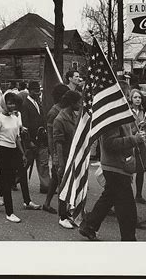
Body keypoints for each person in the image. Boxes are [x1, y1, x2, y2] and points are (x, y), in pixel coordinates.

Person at [79, 81, 146, 241]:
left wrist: (136, 127)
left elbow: (123, 131)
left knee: (108, 198)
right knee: (127, 209)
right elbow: (110, 143)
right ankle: (128, 240)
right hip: (116, 166)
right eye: (127, 95)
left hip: (118, 165)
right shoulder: (112, 116)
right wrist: (134, 139)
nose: (129, 98)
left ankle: (89, 225)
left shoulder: (119, 114)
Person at [0, 92, 40, 223]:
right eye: (9, 103)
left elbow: (17, 138)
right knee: (7, 180)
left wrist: (22, 154)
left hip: (14, 149)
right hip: (2, 150)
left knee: (17, 177)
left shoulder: (15, 118)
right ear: (4, 103)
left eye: (13, 103)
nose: (12, 105)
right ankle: (9, 212)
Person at [53, 90, 82, 229]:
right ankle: (62, 216)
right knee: (62, 186)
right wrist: (60, 163)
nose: (80, 104)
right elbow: (58, 142)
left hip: (72, 156)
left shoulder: (72, 115)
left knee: (71, 185)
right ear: (72, 103)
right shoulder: (60, 119)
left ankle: (69, 212)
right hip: (63, 157)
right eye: (78, 102)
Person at [43, 83, 70, 213]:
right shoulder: (54, 112)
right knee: (60, 177)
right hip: (57, 149)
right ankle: (63, 210)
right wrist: (53, 154)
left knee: (55, 177)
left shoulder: (65, 109)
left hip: (65, 147)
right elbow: (50, 135)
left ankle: (47, 203)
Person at [20, 80, 50, 194]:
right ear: (29, 91)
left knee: (43, 163)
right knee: (26, 163)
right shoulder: (25, 104)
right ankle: (14, 180)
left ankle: (45, 185)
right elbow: (25, 125)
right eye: (35, 91)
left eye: (39, 91)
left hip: (41, 138)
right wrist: (28, 142)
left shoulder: (39, 103)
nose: (38, 93)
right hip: (31, 140)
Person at [128, 89, 146, 205]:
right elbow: (126, 129)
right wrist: (135, 129)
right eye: (135, 97)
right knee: (128, 171)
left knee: (141, 170)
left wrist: (145, 127)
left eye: (139, 97)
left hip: (141, 144)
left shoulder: (143, 111)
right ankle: (125, 196)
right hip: (130, 144)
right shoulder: (127, 111)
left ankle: (139, 195)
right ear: (131, 99)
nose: (137, 99)